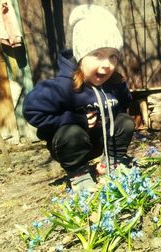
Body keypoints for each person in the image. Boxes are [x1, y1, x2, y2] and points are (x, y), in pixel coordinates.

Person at [23, 4, 135, 192]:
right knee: (72, 133)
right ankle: (79, 175)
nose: (107, 64)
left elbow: (125, 103)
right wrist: (74, 119)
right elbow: (32, 110)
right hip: (70, 145)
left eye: (113, 56)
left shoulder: (113, 84)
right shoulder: (62, 86)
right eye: (97, 54)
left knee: (125, 121)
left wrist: (117, 98)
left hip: (101, 141)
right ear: (80, 55)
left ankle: (110, 165)